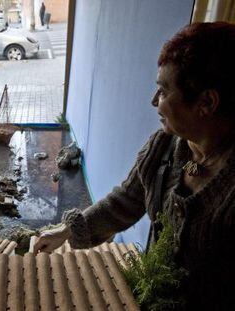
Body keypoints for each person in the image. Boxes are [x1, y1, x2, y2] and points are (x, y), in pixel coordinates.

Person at [33, 22, 235, 309]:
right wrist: (67, 232)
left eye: (164, 91)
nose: (154, 101)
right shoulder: (164, 147)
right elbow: (126, 200)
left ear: (207, 102)